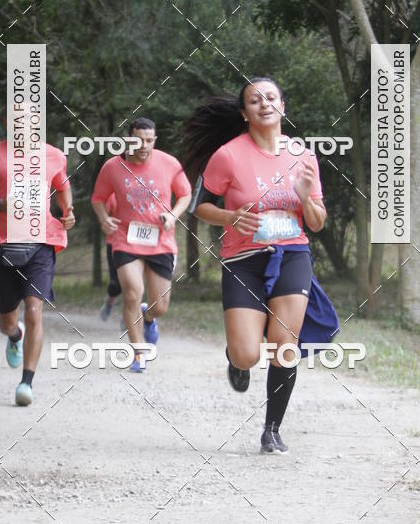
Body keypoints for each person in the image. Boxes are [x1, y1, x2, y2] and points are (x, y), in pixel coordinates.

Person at [183, 77, 327, 455]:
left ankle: (272, 429)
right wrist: (230, 216)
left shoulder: (302, 154)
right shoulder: (228, 155)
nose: (264, 103)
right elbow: (201, 206)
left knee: (285, 346)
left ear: (284, 107)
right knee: (248, 352)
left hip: (292, 254)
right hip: (243, 259)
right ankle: (237, 359)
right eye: (254, 99)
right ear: (245, 113)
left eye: (271, 97)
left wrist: (304, 199)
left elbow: (316, 221)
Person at [0, 137, 75, 406]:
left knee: (35, 309)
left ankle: (26, 382)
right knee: (7, 323)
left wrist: (68, 210)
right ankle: (15, 336)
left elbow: (62, 185)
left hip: (42, 243)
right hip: (4, 244)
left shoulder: (54, 155)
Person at [91, 118, 192, 372]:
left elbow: (186, 194)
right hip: (126, 238)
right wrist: (104, 218)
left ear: (155, 140)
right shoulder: (113, 167)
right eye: (138, 140)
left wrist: (172, 216)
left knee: (161, 306)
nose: (144, 145)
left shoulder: (169, 163)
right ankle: (138, 352)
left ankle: (148, 318)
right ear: (128, 139)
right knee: (132, 292)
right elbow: (98, 198)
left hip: (161, 241)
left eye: (149, 140)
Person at [99, 193, 122, 321]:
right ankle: (110, 302)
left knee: (133, 284)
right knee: (116, 284)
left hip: (136, 244)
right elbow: (102, 219)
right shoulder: (112, 196)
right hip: (115, 244)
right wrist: (105, 220)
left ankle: (130, 316)